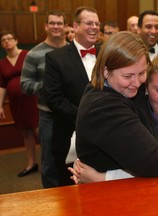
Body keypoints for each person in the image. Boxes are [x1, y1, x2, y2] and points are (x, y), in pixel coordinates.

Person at [69, 31, 158, 184]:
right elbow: (153, 162)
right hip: (109, 192)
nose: (137, 82)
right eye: (128, 76)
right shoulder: (103, 108)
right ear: (106, 71)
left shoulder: (121, 86)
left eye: (142, 73)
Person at [43, 6, 100, 186]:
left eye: (97, 24)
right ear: (75, 26)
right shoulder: (55, 58)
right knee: (69, 192)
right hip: (70, 135)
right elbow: (54, 99)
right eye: (89, 23)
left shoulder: (108, 53)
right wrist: (86, 118)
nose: (94, 27)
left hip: (106, 135)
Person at [20, 10, 67, 187]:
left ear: (65, 26)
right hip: (49, 117)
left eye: (59, 23)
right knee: (49, 161)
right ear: (46, 26)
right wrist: (48, 86)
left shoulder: (73, 51)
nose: (56, 26)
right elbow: (24, 85)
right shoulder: (34, 54)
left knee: (75, 158)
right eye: (52, 23)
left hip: (73, 115)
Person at [0, 30, 39, 177]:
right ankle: (31, 163)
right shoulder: (2, 63)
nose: (7, 42)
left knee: (39, 131)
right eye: (4, 40)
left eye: (10, 38)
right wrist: (0, 105)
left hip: (31, 98)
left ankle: (52, 162)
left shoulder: (28, 55)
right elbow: (2, 86)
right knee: (25, 132)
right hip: (16, 102)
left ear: (16, 41)